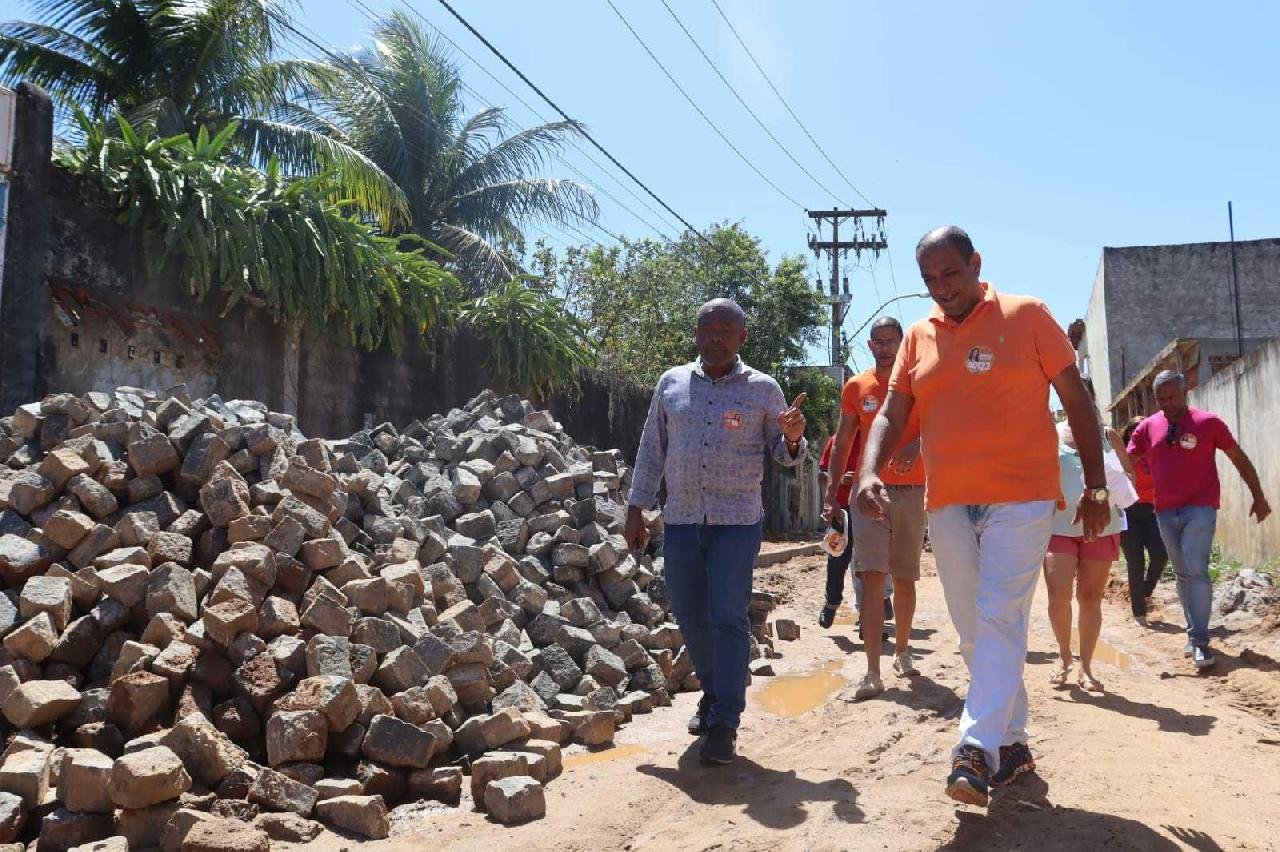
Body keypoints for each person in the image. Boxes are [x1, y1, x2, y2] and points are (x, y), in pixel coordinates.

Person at [856, 226, 1110, 806]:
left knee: (998, 615)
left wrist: (1096, 485)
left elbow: (1077, 400)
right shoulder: (919, 337)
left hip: (1022, 495)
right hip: (946, 500)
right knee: (973, 630)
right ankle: (1014, 744)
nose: (941, 288)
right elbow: (894, 412)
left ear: (976, 264)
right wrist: (871, 468)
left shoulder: (1027, 315)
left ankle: (973, 748)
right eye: (929, 280)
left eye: (951, 274)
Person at [625, 298, 808, 765]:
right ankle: (713, 694)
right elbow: (652, 448)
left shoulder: (764, 389)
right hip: (682, 517)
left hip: (737, 522)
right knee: (689, 615)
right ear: (696, 333)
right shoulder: (671, 383)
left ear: (742, 337)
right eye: (707, 328)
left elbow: (786, 458)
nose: (715, 337)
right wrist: (636, 507)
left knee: (728, 616)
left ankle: (725, 718)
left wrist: (792, 437)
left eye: (725, 329)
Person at [1126, 370, 1271, 669]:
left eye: (1173, 397)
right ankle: (1193, 636)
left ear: (1185, 393)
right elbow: (1124, 462)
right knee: (1181, 574)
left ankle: (1201, 641)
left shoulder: (1208, 422)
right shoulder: (1148, 427)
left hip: (1200, 507)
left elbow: (1238, 458)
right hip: (1164, 511)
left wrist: (1258, 495)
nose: (1167, 403)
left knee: (1196, 568)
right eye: (1161, 399)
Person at [824, 317, 926, 700]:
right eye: (878, 341)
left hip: (913, 489)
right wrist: (834, 492)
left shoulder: (919, 381)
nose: (884, 347)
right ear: (870, 345)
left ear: (903, 344)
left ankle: (902, 649)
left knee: (904, 577)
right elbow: (842, 440)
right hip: (868, 493)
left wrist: (918, 446)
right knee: (869, 576)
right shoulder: (857, 387)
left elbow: (938, 425)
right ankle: (871, 671)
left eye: (891, 341)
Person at [1043, 413, 1134, 692]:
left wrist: (1111, 482)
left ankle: (1086, 666)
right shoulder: (1051, 434)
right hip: (1058, 525)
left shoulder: (1108, 436)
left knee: (1090, 597)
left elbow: (1129, 476)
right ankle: (1063, 656)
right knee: (1058, 596)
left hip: (1102, 526)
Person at [817, 434, 893, 632]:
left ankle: (870, 614)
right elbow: (822, 475)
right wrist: (840, 480)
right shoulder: (837, 441)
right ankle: (832, 604)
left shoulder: (878, 439)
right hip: (842, 513)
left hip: (870, 510)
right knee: (836, 560)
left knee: (869, 564)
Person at [1121, 416, 1167, 624]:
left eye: (1141, 428)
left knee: (1160, 554)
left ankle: (1145, 591)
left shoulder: (1157, 451)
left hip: (1152, 512)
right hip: (1128, 512)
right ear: (1129, 432)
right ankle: (1139, 612)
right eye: (1133, 429)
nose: (1137, 432)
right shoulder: (1122, 455)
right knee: (1135, 563)